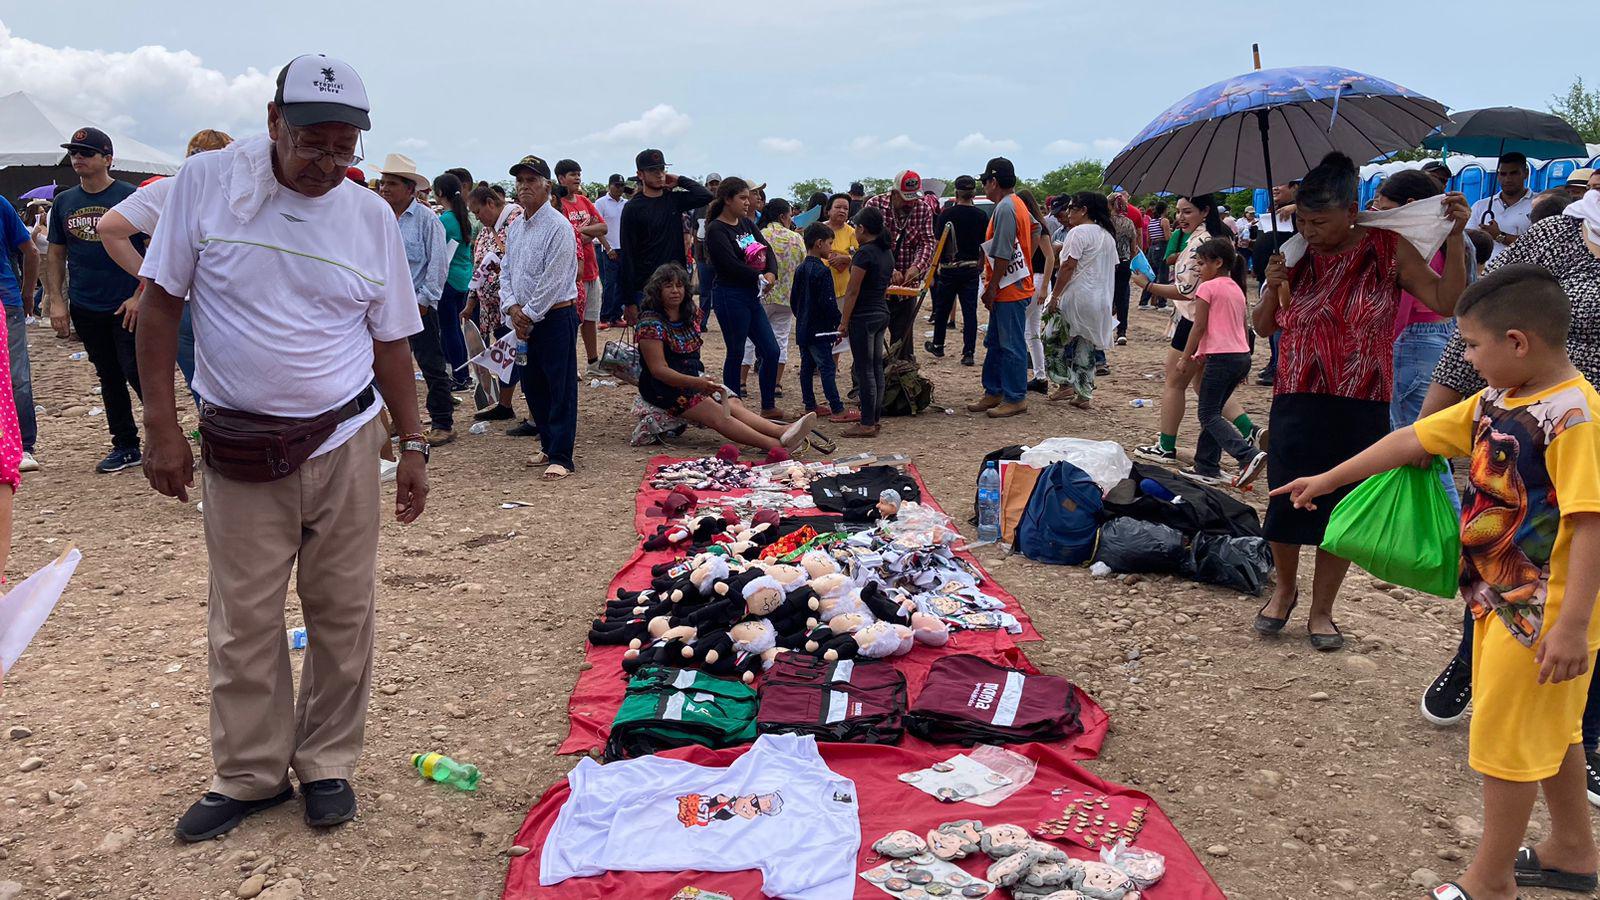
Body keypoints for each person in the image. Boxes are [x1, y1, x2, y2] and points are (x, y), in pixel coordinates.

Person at [134, 52, 429, 841]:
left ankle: (327, 762)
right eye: (312, 145)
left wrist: (414, 445)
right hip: (240, 448)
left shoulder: (368, 217)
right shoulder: (205, 184)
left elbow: (393, 344)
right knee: (245, 620)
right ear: (273, 122)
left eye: (344, 149)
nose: (328, 165)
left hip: (343, 440)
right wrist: (161, 428)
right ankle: (251, 773)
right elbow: (160, 309)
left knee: (342, 612)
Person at [1274, 264, 1600, 900]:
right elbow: (1413, 438)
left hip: (1541, 615)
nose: (1468, 359)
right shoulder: (1498, 400)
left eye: (1473, 346)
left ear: (1517, 342)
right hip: (1497, 600)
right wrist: (1327, 480)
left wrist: (1574, 625)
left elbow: (1591, 525)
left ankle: (1490, 882)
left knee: (1504, 744)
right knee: (1551, 732)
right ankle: (1574, 853)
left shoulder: (1574, 417)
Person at [1251, 151, 1469, 651]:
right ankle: (1284, 591)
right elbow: (1264, 328)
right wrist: (1272, 288)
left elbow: (1446, 301)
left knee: (1343, 504)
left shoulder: (1387, 249)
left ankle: (1322, 611)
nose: (1310, 229)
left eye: (1320, 221)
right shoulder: (1295, 254)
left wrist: (1455, 240)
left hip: (1363, 395)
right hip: (1297, 391)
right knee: (1286, 497)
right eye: (1302, 220)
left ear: (1352, 210)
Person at [1417, 188, 1600, 767]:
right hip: (1524, 444)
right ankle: (1476, 663)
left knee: (1517, 742)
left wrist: (1571, 627)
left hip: (1576, 444)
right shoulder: (1561, 235)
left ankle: (1585, 734)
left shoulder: (1575, 413)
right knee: (1504, 553)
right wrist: (1431, 423)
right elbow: (1482, 327)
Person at [98, 129, 235, 405]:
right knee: (238, 386)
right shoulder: (240, 191)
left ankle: (209, 437)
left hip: (178, 301)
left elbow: (108, 228)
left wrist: (150, 277)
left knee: (201, 388)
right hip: (228, 303)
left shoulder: (167, 188)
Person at [44, 126, 145, 473]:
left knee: (138, 372)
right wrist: (56, 300)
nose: (78, 158)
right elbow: (55, 254)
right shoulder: (64, 202)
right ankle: (126, 445)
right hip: (86, 303)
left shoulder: (130, 197)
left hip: (127, 303)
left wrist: (139, 294)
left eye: (86, 153)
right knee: (108, 375)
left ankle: (168, 436)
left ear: (108, 158)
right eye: (74, 153)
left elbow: (157, 251)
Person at [636, 263, 814, 456]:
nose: (675, 291)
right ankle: (775, 444)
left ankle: (782, 431)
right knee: (718, 414)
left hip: (691, 378)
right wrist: (698, 383)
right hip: (663, 388)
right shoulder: (650, 323)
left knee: (732, 403)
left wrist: (700, 381)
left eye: (679, 285)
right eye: (668, 286)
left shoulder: (687, 313)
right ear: (657, 289)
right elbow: (658, 370)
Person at [1131, 194, 1255, 462]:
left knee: (1175, 383)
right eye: (1179, 211)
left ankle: (1166, 446)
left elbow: (1185, 290)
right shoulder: (1215, 240)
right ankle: (1248, 431)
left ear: (1204, 211)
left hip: (1192, 321)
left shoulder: (1202, 243)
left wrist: (1147, 286)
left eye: (1187, 211)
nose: (1180, 217)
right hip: (1220, 334)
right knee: (1203, 387)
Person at [502, 155, 581, 479]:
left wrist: (528, 314)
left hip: (554, 317)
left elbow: (554, 278)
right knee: (534, 385)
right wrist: (511, 307)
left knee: (559, 387)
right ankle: (548, 444)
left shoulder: (558, 227)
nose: (524, 187)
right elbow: (507, 271)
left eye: (531, 181)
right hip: (525, 319)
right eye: (520, 181)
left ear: (547, 186)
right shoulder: (516, 227)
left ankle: (562, 455)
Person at [1173, 238, 1266, 487]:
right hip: (1240, 356)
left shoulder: (1208, 288)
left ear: (1218, 263)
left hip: (1223, 358)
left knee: (1208, 414)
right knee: (1213, 410)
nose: (1199, 269)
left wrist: (1185, 357)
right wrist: (1204, 352)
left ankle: (1247, 456)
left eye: (1202, 264)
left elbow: (1199, 325)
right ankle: (1206, 465)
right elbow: (1233, 326)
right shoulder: (1235, 287)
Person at [376, 154, 454, 445]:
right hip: (386, 304)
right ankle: (400, 420)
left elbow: (437, 265)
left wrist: (425, 301)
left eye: (392, 183)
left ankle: (443, 422)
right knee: (389, 366)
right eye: (383, 183)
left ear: (410, 189)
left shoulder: (426, 219)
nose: (385, 188)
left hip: (417, 304)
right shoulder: (380, 216)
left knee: (431, 364)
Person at [703, 177, 782, 418]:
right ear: (728, 200)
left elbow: (766, 250)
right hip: (730, 295)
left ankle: (768, 406)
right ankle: (733, 408)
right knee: (736, 351)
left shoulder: (747, 225)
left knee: (771, 350)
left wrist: (771, 273)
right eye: (743, 198)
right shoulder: (716, 229)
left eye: (750, 197)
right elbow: (729, 265)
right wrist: (759, 278)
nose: (749, 202)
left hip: (750, 295)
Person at [968, 157, 1035, 419]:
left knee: (1010, 344)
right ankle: (994, 390)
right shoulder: (1016, 204)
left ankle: (1015, 397)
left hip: (1010, 289)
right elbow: (1036, 228)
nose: (984, 186)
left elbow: (1004, 252)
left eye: (985, 181)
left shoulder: (1006, 208)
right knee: (995, 342)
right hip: (1014, 286)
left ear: (994, 181)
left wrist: (992, 286)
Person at [619, 149, 711, 323]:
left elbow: (705, 195)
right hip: (647, 286)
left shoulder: (673, 199)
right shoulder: (633, 208)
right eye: (653, 171)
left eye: (662, 170)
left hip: (676, 283)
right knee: (651, 341)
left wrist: (679, 180)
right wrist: (629, 301)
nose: (659, 175)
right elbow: (627, 253)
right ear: (640, 174)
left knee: (680, 338)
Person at [1043, 192, 1116, 408]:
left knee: (1051, 338)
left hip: (1077, 296)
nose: (1067, 213)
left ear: (1084, 210)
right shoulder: (1107, 236)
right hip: (1099, 298)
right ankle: (1084, 393)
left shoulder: (1078, 233)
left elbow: (1067, 266)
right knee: (1085, 344)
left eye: (1072, 208)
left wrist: (1054, 295)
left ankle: (1063, 382)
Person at [465, 183, 523, 423]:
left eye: (478, 211)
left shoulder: (515, 220)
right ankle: (504, 403)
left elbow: (516, 261)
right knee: (505, 354)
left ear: (490, 203)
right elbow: (479, 268)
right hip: (493, 308)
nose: (477, 217)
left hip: (514, 306)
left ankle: (529, 411)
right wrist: (470, 302)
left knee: (516, 356)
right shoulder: (488, 229)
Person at [837, 206, 895, 438]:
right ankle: (874, 417)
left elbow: (852, 291)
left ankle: (867, 422)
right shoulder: (885, 252)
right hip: (881, 312)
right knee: (875, 368)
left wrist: (843, 322)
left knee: (865, 370)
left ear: (862, 228)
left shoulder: (864, 254)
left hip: (864, 316)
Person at [742, 198, 804, 392]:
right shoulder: (796, 238)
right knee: (781, 339)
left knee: (749, 338)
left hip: (761, 294)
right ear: (783, 216)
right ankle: (775, 383)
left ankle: (742, 382)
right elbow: (802, 264)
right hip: (787, 296)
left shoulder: (758, 234)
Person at [925, 175, 987, 366]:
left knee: (943, 308)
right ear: (974, 193)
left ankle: (938, 344)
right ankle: (968, 352)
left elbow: (937, 244)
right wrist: (981, 264)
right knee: (970, 312)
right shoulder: (981, 216)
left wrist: (932, 269)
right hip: (970, 268)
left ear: (956, 192)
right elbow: (985, 245)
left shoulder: (946, 214)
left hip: (949, 269)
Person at [554, 160, 608, 375]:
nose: (577, 178)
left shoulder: (584, 201)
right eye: (572, 174)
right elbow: (564, 237)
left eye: (579, 174)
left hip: (592, 271)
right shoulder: (558, 206)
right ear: (560, 178)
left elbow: (603, 227)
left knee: (591, 318)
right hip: (571, 274)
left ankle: (593, 362)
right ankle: (570, 366)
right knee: (571, 322)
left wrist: (577, 233)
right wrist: (583, 234)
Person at [0, 195, 39, 474]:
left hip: (6, 300)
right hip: (7, 298)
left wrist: (27, 293)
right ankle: (22, 446)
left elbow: (31, 251)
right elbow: (31, 251)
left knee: (15, 376)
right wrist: (27, 293)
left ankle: (22, 444)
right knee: (16, 375)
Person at [792, 222, 845, 419]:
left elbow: (794, 300)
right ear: (819, 243)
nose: (831, 248)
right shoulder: (823, 271)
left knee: (807, 366)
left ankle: (810, 404)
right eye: (830, 243)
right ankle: (837, 408)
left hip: (804, 327)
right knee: (827, 367)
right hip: (821, 329)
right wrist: (837, 324)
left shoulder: (800, 269)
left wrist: (802, 318)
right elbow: (828, 303)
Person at [430, 172, 476, 392]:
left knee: (449, 330)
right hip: (463, 279)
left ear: (439, 193)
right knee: (456, 329)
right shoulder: (462, 217)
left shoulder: (444, 221)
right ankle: (463, 373)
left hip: (447, 281)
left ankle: (459, 376)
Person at [1253, 182, 1299, 386]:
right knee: (1270, 323)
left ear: (1296, 187)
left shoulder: (1301, 209)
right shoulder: (1273, 210)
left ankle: (1280, 366)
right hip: (1269, 278)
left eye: (1282, 184)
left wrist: (1297, 207)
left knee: (1282, 323)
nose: (1275, 188)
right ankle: (1275, 361)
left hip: (1289, 280)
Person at [1471, 151, 1535, 264]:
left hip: (1521, 275)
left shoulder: (1538, 204)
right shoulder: (1481, 206)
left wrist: (1500, 236)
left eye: (1514, 173)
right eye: (1503, 174)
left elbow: (1537, 245)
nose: (1508, 179)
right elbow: (1467, 241)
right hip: (1484, 275)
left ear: (1526, 174)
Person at [594, 174, 629, 326]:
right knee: (609, 284)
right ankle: (605, 317)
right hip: (609, 248)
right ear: (610, 186)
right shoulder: (601, 203)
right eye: (617, 185)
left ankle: (616, 315)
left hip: (624, 249)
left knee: (622, 283)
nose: (619, 188)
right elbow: (598, 228)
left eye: (622, 186)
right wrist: (607, 248)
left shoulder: (626, 203)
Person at [1107, 193, 1138, 353]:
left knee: (1107, 295)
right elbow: (1134, 247)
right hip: (1124, 262)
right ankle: (1122, 331)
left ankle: (1105, 328)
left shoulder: (1105, 223)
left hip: (1108, 263)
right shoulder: (1128, 223)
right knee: (1122, 297)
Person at [823, 193, 859, 299]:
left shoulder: (853, 233)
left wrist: (846, 258)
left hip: (844, 292)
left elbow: (860, 257)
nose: (842, 211)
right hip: (820, 289)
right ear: (828, 210)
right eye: (838, 207)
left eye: (846, 208)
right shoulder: (818, 229)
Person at [1138, 200, 1170, 310]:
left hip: (1152, 249)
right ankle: (1162, 303)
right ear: (1165, 210)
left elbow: (1148, 238)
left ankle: (1143, 302)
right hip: (1162, 247)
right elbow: (1168, 238)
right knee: (1163, 275)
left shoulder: (1151, 222)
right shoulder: (1164, 221)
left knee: (1151, 275)